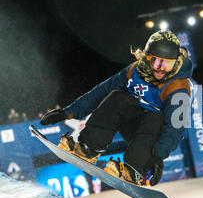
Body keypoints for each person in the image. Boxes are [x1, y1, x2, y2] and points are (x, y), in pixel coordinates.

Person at [40, 29, 193, 186]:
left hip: (155, 139)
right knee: (118, 97)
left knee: (155, 116)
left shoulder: (178, 87)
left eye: (167, 64)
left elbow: (176, 126)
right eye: (155, 61)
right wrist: (68, 112)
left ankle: (134, 170)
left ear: (176, 63)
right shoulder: (134, 71)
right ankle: (89, 148)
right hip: (134, 127)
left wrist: (158, 155)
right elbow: (102, 91)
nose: (160, 68)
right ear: (147, 57)